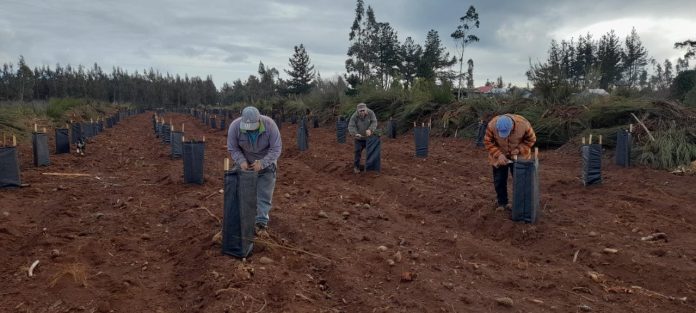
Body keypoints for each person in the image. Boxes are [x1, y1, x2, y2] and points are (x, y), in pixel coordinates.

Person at [227, 106, 282, 233]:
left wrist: (262, 163)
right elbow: (233, 148)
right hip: (244, 162)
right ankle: (237, 219)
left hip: (265, 162)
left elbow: (276, 149)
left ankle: (261, 223)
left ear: (259, 121)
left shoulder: (270, 125)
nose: (250, 130)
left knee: (264, 194)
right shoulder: (235, 127)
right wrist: (241, 161)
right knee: (236, 188)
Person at [484, 114, 536, 211]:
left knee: (520, 181)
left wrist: (519, 149)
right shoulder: (492, 125)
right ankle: (502, 203)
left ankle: (519, 205)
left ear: (512, 126)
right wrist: (498, 155)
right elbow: (487, 142)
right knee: (499, 180)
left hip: (519, 155)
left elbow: (531, 139)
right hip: (499, 155)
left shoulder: (523, 124)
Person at [348, 103, 378, 173]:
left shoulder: (371, 113)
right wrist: (355, 133)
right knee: (357, 152)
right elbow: (351, 126)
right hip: (359, 138)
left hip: (369, 138)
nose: (362, 112)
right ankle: (356, 167)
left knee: (371, 152)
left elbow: (374, 122)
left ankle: (371, 167)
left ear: (366, 109)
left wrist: (370, 129)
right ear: (357, 111)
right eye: (360, 111)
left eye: (363, 110)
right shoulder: (354, 116)